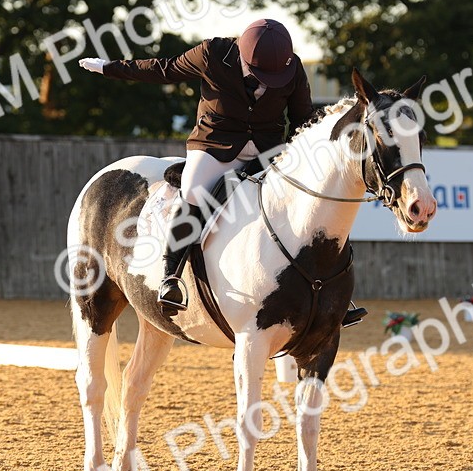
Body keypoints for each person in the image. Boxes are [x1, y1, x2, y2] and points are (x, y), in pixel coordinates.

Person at [79, 19, 364, 327]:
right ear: (243, 53)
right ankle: (171, 276)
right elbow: (164, 69)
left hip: (268, 151)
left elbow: (302, 118)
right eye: (261, 75)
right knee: (193, 193)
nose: (268, 82)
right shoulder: (213, 54)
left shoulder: (291, 67)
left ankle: (329, 294)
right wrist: (110, 68)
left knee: (309, 207)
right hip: (215, 146)